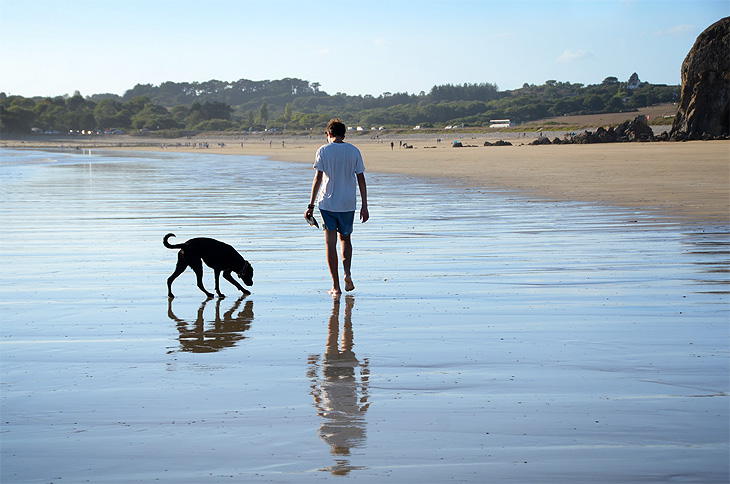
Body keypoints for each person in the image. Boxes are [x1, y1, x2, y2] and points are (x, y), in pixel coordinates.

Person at [306, 119, 369, 295]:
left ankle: (336, 286)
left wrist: (310, 205)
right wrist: (365, 205)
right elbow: (361, 179)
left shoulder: (323, 150)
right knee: (346, 239)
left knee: (330, 243)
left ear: (329, 134)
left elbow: (318, 178)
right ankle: (347, 273)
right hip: (348, 203)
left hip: (327, 203)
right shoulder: (354, 150)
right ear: (344, 134)